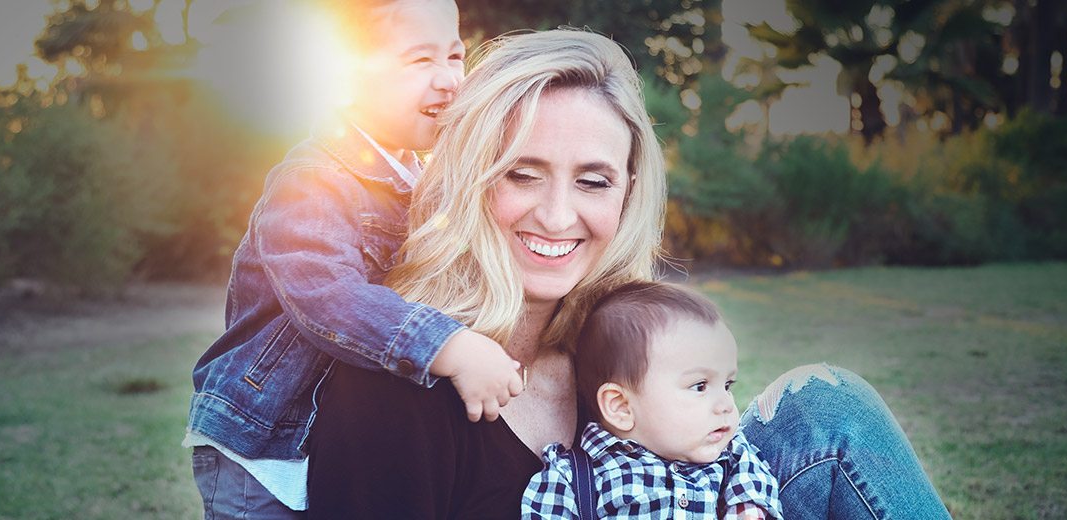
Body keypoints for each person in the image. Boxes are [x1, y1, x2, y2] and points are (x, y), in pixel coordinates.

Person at [305, 29, 951, 519]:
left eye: (593, 181)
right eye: (521, 174)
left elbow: (717, 458)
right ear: (468, 178)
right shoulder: (395, 384)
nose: (558, 216)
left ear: (627, 193)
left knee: (826, 403)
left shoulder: (624, 337)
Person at [183, 1, 526, 517]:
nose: (450, 79)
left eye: (455, 56)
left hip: (333, 438)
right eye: (420, 61)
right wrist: (449, 345)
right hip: (266, 446)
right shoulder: (313, 178)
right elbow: (327, 296)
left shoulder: (421, 179)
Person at [522, 281, 783, 519]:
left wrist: (746, 507)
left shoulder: (728, 452)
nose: (726, 404)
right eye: (700, 386)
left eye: (727, 385)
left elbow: (753, 473)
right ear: (621, 407)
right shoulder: (573, 479)